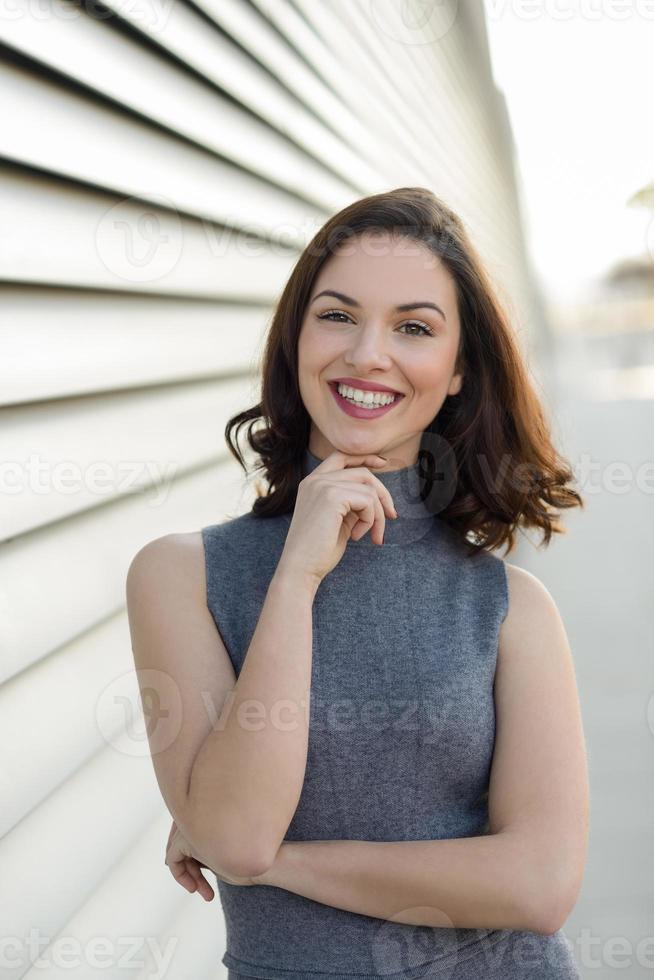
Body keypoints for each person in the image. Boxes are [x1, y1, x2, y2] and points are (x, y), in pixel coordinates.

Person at [126, 187, 589, 979]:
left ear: (455, 373)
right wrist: (297, 577)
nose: (368, 354)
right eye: (337, 315)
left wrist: (277, 866)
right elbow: (235, 835)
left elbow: (539, 886)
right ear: (295, 339)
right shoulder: (180, 576)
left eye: (413, 328)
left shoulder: (511, 609)